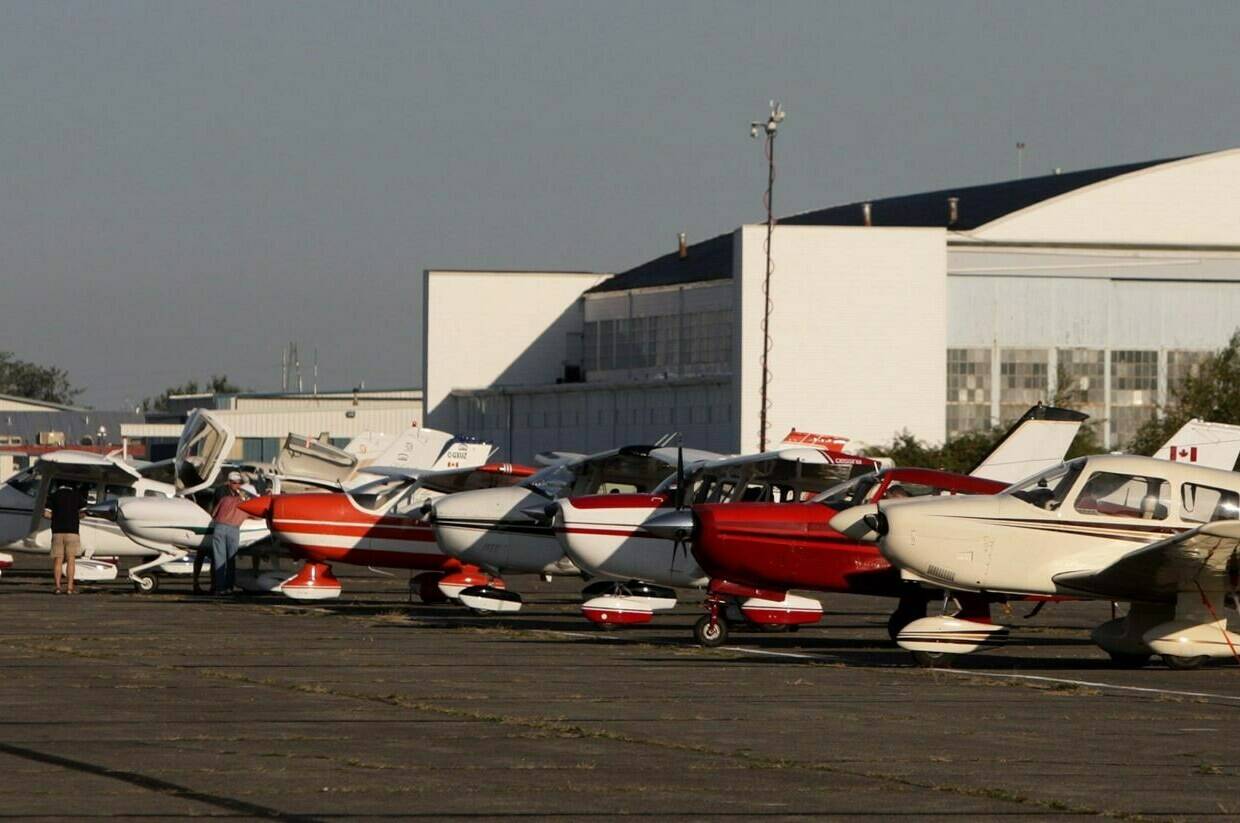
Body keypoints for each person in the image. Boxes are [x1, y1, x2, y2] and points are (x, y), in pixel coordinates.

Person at [210, 472, 251, 594]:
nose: (237, 485)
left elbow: (213, 514)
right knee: (231, 560)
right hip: (233, 529)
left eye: (239, 483)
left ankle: (219, 588)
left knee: (219, 559)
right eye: (235, 483)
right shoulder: (246, 505)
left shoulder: (224, 499)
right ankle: (228, 587)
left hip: (219, 528)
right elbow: (257, 516)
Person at [44, 481, 85, 595]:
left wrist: (56, 517)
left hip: (57, 532)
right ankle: (70, 587)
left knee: (58, 560)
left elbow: (46, 514)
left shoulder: (53, 496)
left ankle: (57, 587)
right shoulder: (77, 496)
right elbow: (83, 513)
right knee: (71, 559)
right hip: (72, 532)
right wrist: (74, 517)